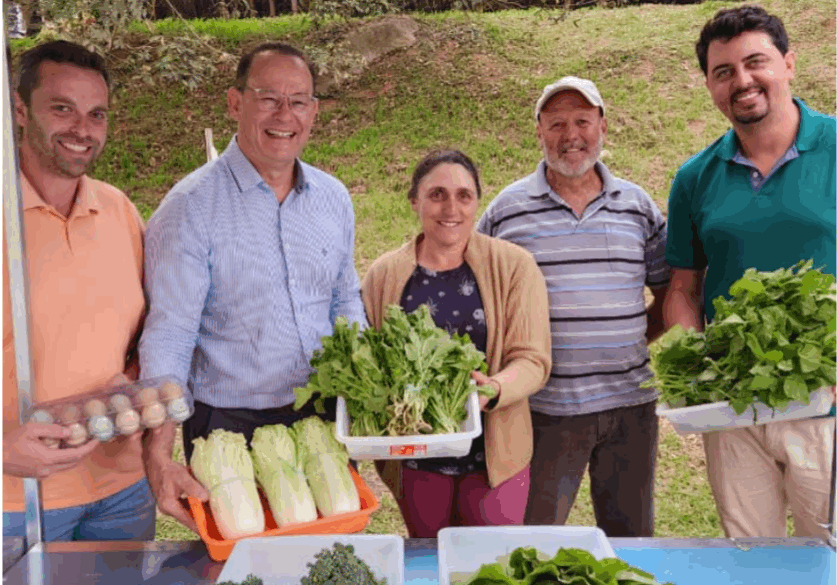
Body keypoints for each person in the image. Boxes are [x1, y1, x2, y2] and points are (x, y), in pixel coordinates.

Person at [139, 42, 367, 534]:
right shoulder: (190, 209)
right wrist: (159, 452)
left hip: (322, 414)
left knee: (330, 554)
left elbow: (344, 297)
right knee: (247, 563)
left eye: (299, 100)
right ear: (234, 103)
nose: (285, 114)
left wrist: (364, 388)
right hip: (228, 429)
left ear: (314, 111)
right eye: (268, 98)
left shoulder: (333, 198)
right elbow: (171, 334)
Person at [663, 5, 835, 539]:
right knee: (750, 556)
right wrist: (691, 370)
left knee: (829, 555)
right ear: (710, 86)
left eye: (755, 62)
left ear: (788, 63)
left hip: (825, 403)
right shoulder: (694, 177)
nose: (742, 80)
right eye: (723, 71)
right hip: (735, 405)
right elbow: (683, 289)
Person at [477, 77, 670, 536]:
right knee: (534, 539)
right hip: (545, 408)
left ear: (604, 126)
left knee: (632, 539)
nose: (571, 135)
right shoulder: (508, 210)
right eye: (557, 123)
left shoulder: (637, 206)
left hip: (630, 407)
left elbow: (669, 293)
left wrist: (624, 340)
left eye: (583, 121)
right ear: (538, 131)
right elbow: (478, 293)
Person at [3, 40, 153, 541]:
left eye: (96, 114)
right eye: (62, 109)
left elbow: (141, 333)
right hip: (14, 503)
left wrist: (130, 380)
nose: (82, 130)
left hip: (123, 490)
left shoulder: (117, 210)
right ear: (20, 110)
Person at [361, 150, 551, 537]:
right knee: (430, 562)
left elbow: (533, 358)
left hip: (494, 459)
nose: (451, 208)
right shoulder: (383, 275)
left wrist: (495, 388)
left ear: (477, 202)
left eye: (464, 196)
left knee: (491, 569)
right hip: (417, 463)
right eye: (437, 195)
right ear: (415, 201)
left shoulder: (514, 266)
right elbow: (370, 358)